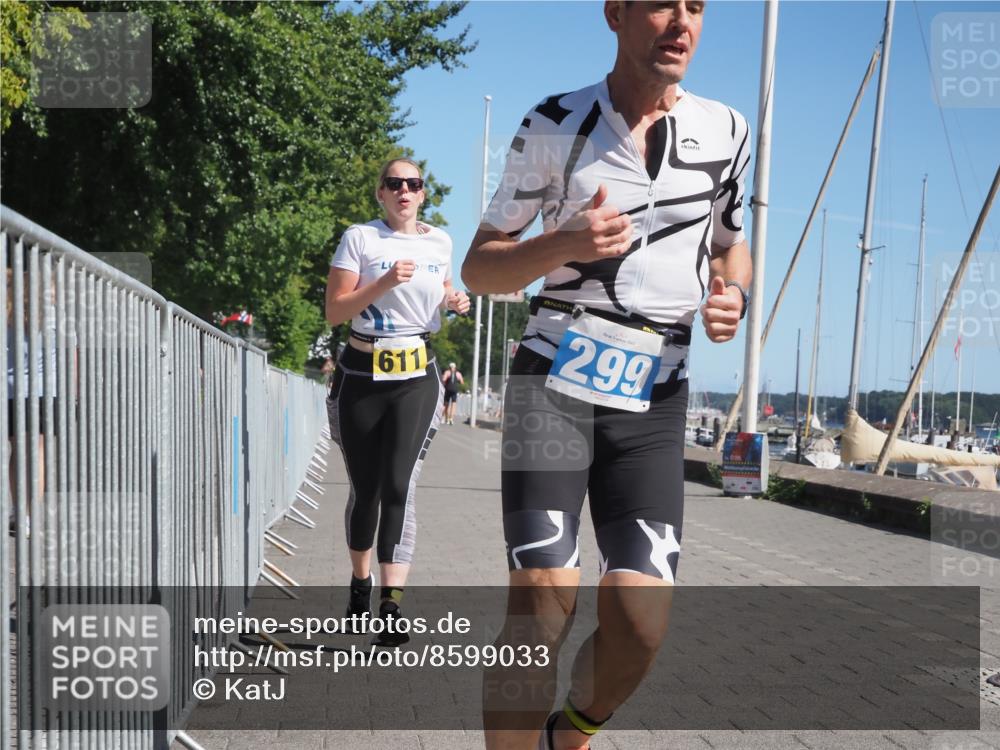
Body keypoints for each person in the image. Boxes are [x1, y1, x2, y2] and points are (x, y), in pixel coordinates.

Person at [462, 2, 752, 748]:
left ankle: (573, 732)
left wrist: (734, 296)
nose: (682, 23)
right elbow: (481, 265)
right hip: (553, 386)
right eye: (663, 3)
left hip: (654, 397)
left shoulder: (727, 131)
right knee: (540, 605)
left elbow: (729, 245)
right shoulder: (554, 124)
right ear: (617, 14)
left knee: (641, 623)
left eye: (697, 7)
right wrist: (561, 241)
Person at [325, 157, 470, 646]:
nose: (404, 190)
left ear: (423, 195)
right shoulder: (361, 238)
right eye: (394, 184)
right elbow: (334, 311)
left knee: (397, 486)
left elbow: (442, 287)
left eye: (413, 184)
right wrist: (384, 282)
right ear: (380, 194)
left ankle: (391, 605)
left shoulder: (440, 241)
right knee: (365, 490)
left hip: (416, 375)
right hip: (362, 373)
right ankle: (359, 583)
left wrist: (454, 299)